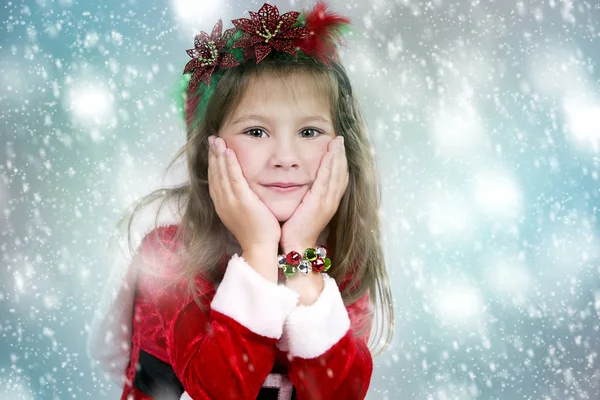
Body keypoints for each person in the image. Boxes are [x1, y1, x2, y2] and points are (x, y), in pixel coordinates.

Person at [87, 2, 394, 399]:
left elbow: (337, 393)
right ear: (209, 150)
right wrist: (259, 250)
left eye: (309, 132)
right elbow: (219, 389)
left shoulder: (336, 255)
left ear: (341, 147)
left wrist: (300, 252)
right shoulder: (171, 255)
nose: (286, 157)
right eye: (256, 131)